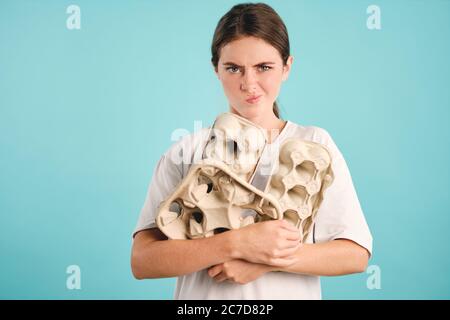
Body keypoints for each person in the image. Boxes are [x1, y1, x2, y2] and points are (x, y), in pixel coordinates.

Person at [131, 3, 372, 300]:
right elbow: (142, 261)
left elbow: (355, 254)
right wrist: (235, 244)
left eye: (264, 67)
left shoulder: (314, 146)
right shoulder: (188, 151)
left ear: (287, 67)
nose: (249, 83)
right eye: (233, 68)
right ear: (215, 69)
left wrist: (264, 259)